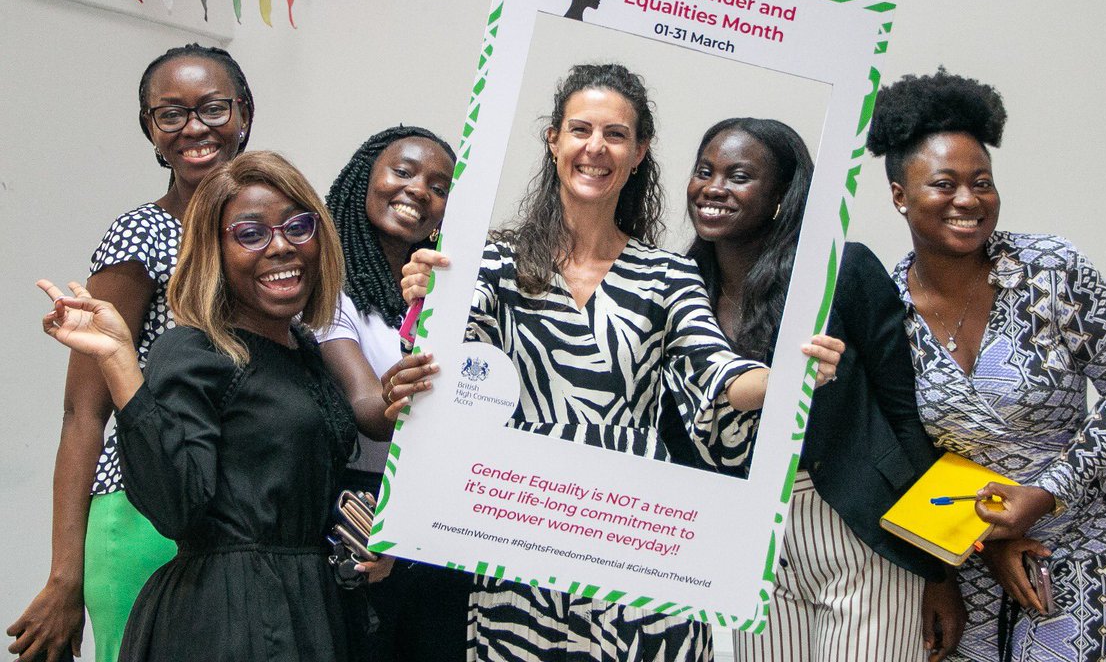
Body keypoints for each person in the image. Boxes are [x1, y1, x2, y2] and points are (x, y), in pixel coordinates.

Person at [391, 64, 844, 661]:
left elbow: (718, 375)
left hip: (634, 537)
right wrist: (426, 297)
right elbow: (436, 365)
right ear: (552, 140)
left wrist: (789, 378)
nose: (595, 148)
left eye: (616, 135)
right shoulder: (491, 263)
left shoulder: (669, 274)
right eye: (580, 129)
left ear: (639, 152)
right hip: (518, 522)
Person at [866, 69, 1106, 662]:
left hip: (1082, 544)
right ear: (899, 194)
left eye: (982, 183)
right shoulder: (884, 307)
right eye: (944, 184)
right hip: (963, 557)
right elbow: (902, 450)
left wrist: (1047, 493)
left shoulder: (1053, 269)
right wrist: (952, 563)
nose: (969, 200)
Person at [35, 151, 358, 661]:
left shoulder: (305, 351)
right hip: (226, 618)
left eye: (298, 226)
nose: (281, 246)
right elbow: (176, 506)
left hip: (305, 603)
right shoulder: (196, 350)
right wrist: (120, 361)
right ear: (215, 252)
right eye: (250, 234)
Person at [7, 45, 254, 662]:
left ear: (244, 114)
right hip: (146, 508)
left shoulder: (280, 233)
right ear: (150, 129)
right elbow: (83, 414)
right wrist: (65, 577)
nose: (194, 127)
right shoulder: (141, 235)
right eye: (170, 114)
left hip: (250, 511)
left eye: (213, 108)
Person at [684, 117, 961, 662]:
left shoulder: (843, 268)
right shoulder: (677, 283)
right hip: (750, 539)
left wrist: (939, 567)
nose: (714, 187)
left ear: (783, 196)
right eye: (704, 171)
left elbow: (906, 417)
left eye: (739, 176)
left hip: (859, 528)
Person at [321, 125, 472, 660]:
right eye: (402, 172)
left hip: (443, 513)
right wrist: (400, 395)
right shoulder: (326, 288)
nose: (418, 191)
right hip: (360, 512)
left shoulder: (454, 298)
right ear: (366, 177)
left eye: (439, 186)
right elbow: (367, 409)